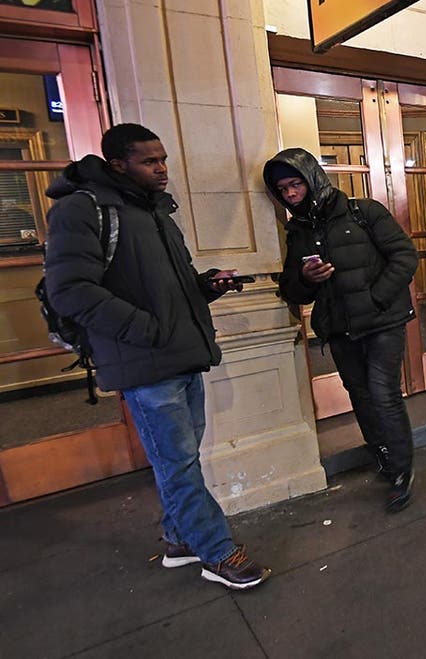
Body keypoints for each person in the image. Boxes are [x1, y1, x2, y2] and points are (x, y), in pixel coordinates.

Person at [43, 123, 270, 590]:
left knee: (181, 459)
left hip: (179, 355)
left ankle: (178, 539)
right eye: (150, 161)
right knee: (178, 463)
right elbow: (70, 291)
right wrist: (146, 329)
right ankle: (218, 551)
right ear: (118, 164)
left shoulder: (155, 213)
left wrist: (206, 286)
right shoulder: (82, 211)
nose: (162, 169)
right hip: (145, 363)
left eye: (163, 158)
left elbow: (170, 288)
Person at [270, 148, 419, 513]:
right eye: (283, 190)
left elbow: (404, 255)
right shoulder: (298, 231)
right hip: (339, 329)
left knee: (383, 394)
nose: (290, 195)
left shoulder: (362, 211)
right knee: (360, 394)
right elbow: (291, 288)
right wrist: (306, 278)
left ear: (312, 179)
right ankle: (382, 455)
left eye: (295, 185)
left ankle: (402, 470)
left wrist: (376, 299)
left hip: (383, 321)